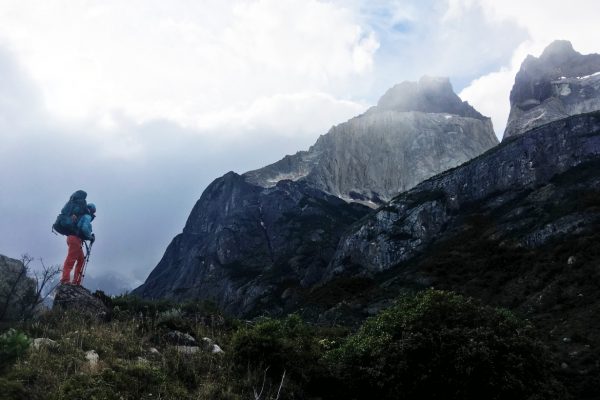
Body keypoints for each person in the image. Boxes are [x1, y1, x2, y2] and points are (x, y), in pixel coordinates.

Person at [61, 203, 96, 285]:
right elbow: (84, 228)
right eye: (93, 211)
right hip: (75, 239)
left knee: (81, 260)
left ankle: (76, 281)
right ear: (91, 210)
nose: (93, 214)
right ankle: (65, 280)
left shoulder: (80, 215)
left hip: (71, 238)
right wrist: (90, 237)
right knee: (71, 259)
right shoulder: (87, 216)